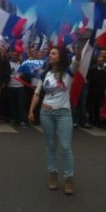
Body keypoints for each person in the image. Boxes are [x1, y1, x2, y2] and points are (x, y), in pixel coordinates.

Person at [28, 46, 80, 195]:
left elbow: (77, 61)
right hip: (46, 113)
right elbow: (37, 93)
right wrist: (31, 110)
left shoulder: (68, 73)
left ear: (61, 56)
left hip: (63, 113)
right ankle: (53, 175)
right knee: (50, 146)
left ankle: (69, 178)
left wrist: (78, 47)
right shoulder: (45, 74)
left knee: (65, 147)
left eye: (54, 53)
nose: (50, 55)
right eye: (50, 53)